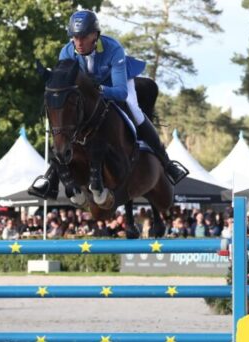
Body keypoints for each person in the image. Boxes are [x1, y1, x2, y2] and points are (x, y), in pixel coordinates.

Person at [29, 9, 188, 200]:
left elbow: (120, 91)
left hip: (115, 83)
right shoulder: (67, 52)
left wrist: (98, 90)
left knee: (135, 111)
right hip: (88, 89)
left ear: (95, 35)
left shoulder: (114, 49)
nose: (78, 43)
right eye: (74, 37)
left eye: (83, 37)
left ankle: (166, 162)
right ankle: (51, 178)